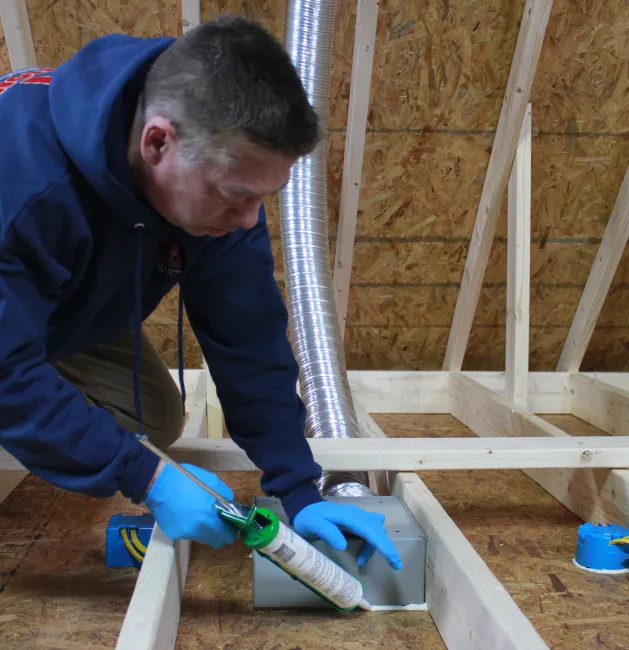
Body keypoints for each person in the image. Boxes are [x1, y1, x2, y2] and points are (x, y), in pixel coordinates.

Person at [0, 16, 402, 571]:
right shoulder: (21, 179)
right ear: (157, 142)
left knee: (151, 423)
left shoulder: (223, 178)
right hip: (13, 285)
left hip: (49, 297)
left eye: (261, 198)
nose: (247, 219)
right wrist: (148, 477)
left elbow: (249, 339)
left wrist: (299, 487)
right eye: (234, 196)